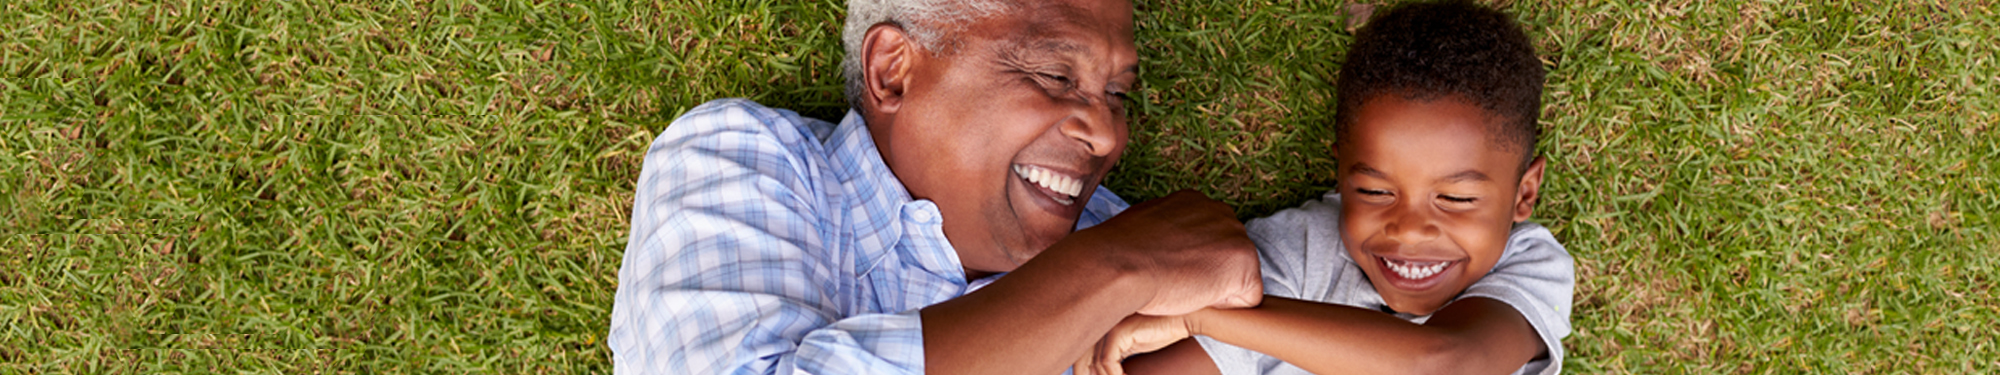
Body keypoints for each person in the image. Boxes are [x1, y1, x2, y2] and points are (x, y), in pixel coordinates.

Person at [606, 0, 1265, 374]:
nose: (1106, 133)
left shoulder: (1145, 252)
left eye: (1117, 92)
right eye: (1053, 75)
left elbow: (1323, 298)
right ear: (892, 70)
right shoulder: (740, 159)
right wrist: (1111, 271)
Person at [1076, 1, 1575, 374]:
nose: (1410, 230)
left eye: (1457, 199)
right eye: (1376, 192)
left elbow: (1446, 364)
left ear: (1524, 194)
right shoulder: (1302, 253)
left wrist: (1203, 319)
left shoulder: (1527, 267)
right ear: (1342, 176)